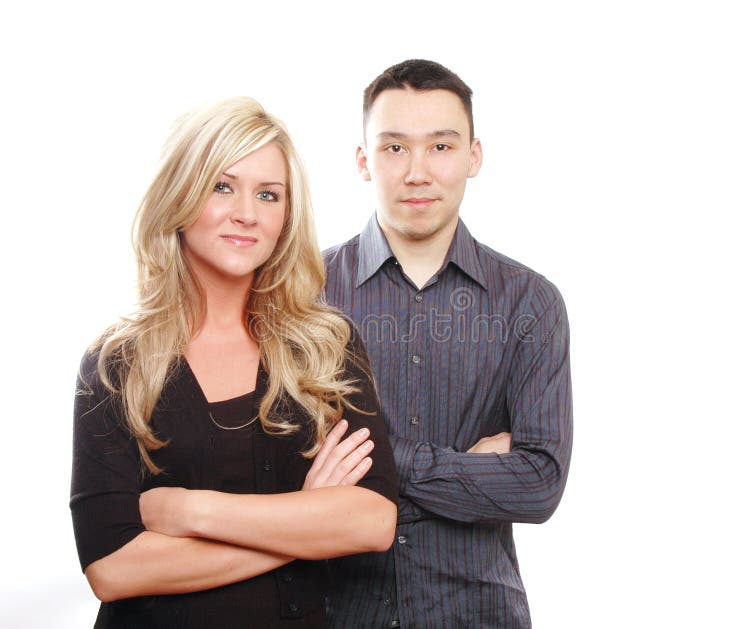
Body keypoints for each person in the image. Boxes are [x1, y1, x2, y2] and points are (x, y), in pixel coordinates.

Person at [70, 96, 398, 628]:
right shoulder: (117, 365)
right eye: (223, 186)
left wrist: (188, 512)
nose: (247, 212)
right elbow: (113, 569)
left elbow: (371, 522)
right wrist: (306, 522)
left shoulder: (325, 347)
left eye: (268, 195)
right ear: (181, 193)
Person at [323, 60, 573, 628]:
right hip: (336, 613)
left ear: (473, 157)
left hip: (477, 614)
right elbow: (282, 468)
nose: (417, 172)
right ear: (363, 160)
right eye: (393, 148)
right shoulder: (303, 294)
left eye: (440, 146)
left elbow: (539, 485)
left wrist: (376, 462)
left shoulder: (531, 303)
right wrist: (468, 468)